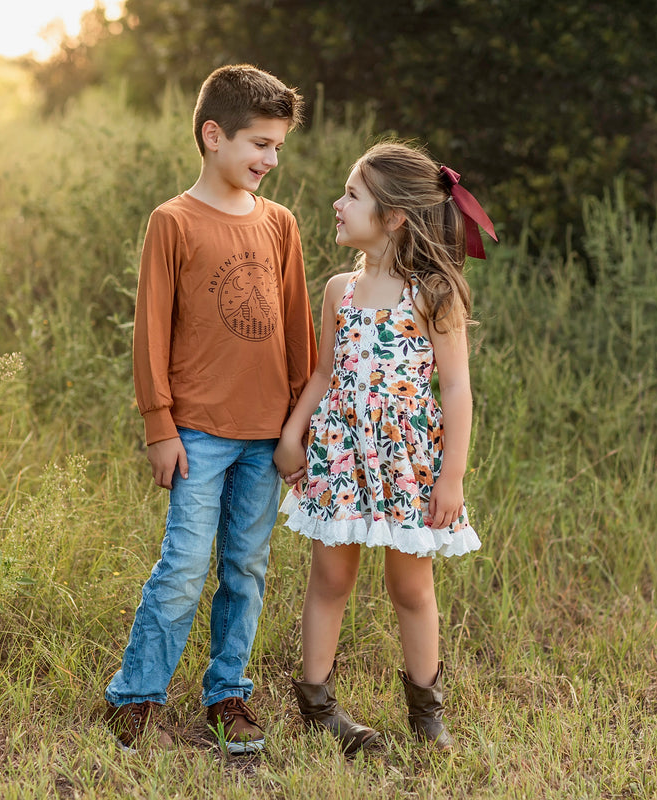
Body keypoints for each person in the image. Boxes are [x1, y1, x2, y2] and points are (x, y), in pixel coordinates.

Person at [102, 64, 317, 755]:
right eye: (259, 144)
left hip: (265, 438)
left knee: (246, 570)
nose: (270, 160)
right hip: (196, 434)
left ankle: (228, 694)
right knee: (185, 566)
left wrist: (297, 430)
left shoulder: (281, 226)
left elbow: (296, 332)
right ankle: (134, 697)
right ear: (213, 135)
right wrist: (159, 426)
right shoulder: (173, 222)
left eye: (278, 146)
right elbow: (151, 330)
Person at [274, 141, 495, 753]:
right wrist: (294, 433)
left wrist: (451, 477)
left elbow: (455, 389)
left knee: (412, 587)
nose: (337, 204)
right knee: (329, 578)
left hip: (407, 464)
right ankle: (316, 705)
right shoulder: (338, 290)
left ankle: (427, 713)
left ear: (394, 217)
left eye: (351, 194)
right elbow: (323, 375)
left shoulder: (431, 295)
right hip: (341, 457)